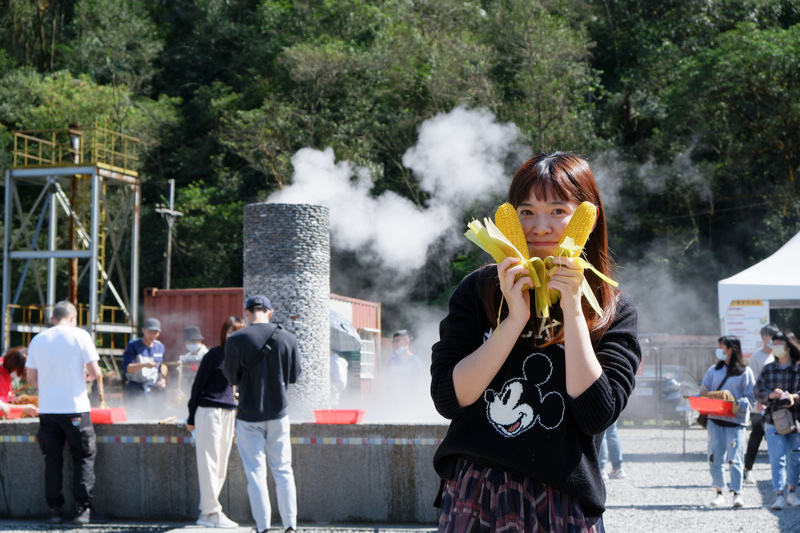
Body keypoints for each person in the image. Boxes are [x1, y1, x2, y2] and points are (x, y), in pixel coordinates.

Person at [430, 151, 641, 531]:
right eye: (525, 212)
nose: (539, 227)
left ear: (586, 218)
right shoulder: (478, 291)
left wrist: (574, 310)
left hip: (563, 497)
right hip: (477, 488)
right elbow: (449, 398)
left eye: (558, 211)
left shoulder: (611, 308)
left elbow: (595, 416)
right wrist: (514, 319)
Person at [223, 295, 302, 533]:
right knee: (283, 470)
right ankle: (290, 526)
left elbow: (231, 378)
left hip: (248, 416)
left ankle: (263, 528)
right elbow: (294, 377)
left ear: (246, 312)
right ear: (270, 312)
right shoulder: (288, 337)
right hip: (278, 413)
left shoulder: (236, 339)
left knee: (255, 473)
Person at [25, 300, 107, 525]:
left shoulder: (38, 340)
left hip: (48, 410)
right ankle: (83, 510)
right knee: (83, 457)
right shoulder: (80, 336)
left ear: (53, 319)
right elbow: (95, 372)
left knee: (52, 458)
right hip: (75, 409)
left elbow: (31, 378)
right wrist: (85, 377)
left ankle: (54, 510)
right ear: (73, 317)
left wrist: (52, 385)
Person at [186, 317, 245, 529]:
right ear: (224, 333)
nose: (233, 335)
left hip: (229, 412)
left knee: (220, 465)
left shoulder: (241, 357)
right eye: (230, 331)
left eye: (238, 332)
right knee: (209, 463)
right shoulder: (214, 355)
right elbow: (197, 386)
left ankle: (206, 513)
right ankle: (213, 511)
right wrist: (191, 417)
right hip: (208, 410)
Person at [700, 335, 755, 508]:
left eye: (721, 347)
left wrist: (737, 404)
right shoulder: (713, 370)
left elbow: (752, 397)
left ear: (730, 349)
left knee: (735, 459)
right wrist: (704, 394)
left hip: (735, 422)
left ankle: (737, 493)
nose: (719, 351)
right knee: (715, 457)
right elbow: (703, 389)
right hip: (715, 420)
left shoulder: (745, 371)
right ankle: (719, 492)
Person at [754, 330, 800, 510]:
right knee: (777, 459)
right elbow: (757, 391)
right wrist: (771, 395)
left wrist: (794, 397)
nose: (775, 347)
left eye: (779, 343)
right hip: (773, 420)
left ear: (788, 346)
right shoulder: (768, 369)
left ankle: (792, 492)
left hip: (796, 420)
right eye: (774, 343)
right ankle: (779, 495)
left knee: (795, 458)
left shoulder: (798, 368)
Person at [743, 323, 780, 484]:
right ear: (764, 338)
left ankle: (783, 475)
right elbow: (753, 383)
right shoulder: (756, 357)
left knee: (780, 439)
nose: (773, 340)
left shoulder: (778, 356)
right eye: (771, 337)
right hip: (760, 406)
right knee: (756, 438)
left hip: (778, 406)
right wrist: (759, 401)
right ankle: (747, 470)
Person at [121, 318, 168, 404]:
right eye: (150, 333)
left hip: (153, 389)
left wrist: (162, 379)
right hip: (135, 389)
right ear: (143, 330)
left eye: (155, 333)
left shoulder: (160, 346)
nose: (152, 336)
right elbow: (127, 368)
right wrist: (144, 365)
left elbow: (161, 366)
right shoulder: (133, 345)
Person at [179, 325, 210, 398]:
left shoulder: (207, 355)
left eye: (192, 342)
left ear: (199, 340)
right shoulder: (187, 357)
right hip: (188, 391)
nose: (190, 345)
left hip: (204, 391)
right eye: (188, 343)